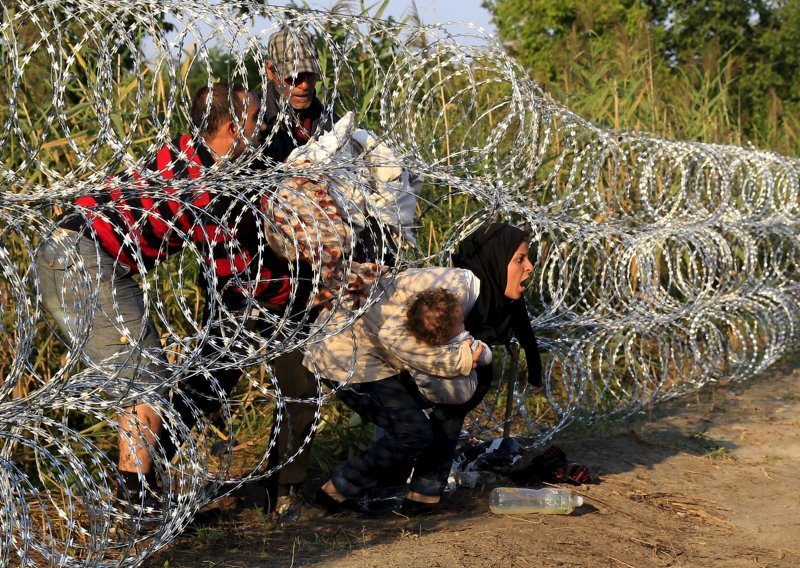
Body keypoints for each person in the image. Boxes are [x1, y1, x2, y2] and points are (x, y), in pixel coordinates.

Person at [35, 82, 265, 514]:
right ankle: (139, 506)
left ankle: (141, 496)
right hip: (86, 259)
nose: (265, 126)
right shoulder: (205, 186)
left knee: (139, 377)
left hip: (72, 251)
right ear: (234, 128)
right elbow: (227, 265)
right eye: (257, 119)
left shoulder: (182, 152)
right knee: (145, 381)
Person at [308, 222, 541, 514]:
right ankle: (333, 493)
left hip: (382, 355)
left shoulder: (487, 302)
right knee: (414, 432)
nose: (530, 267)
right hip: (346, 352)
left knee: (468, 385)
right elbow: (391, 335)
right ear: (495, 257)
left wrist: (467, 362)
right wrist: (462, 360)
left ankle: (424, 495)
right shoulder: (456, 290)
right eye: (520, 259)